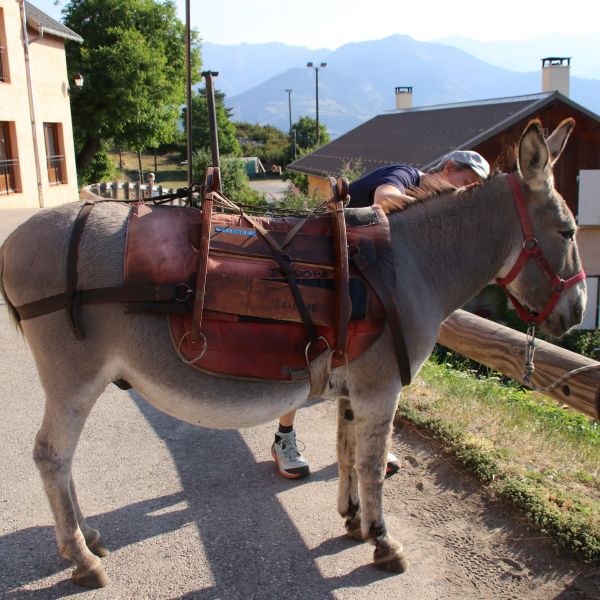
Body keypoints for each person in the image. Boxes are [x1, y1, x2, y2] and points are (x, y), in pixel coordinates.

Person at [271, 150, 491, 479]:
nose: (464, 193)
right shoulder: (407, 174)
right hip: (319, 270)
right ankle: (283, 439)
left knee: (367, 362)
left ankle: (365, 442)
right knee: (308, 355)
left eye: (473, 190)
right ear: (447, 168)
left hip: (356, 280)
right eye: (466, 183)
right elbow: (385, 199)